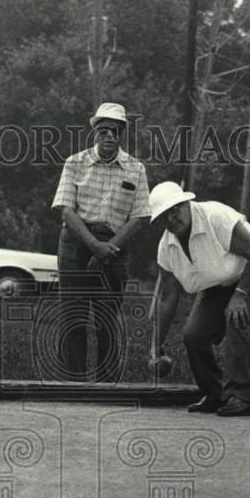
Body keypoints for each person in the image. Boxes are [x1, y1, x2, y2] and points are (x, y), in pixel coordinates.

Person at [148, 182, 250, 416]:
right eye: (164, 215)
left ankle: (240, 397)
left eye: (176, 209)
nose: (172, 218)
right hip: (224, 280)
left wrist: (240, 295)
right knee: (194, 334)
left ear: (187, 204)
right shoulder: (166, 248)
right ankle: (216, 393)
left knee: (236, 320)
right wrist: (156, 344)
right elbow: (168, 297)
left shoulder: (215, 215)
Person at [50, 102, 150, 382]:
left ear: (122, 134)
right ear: (94, 131)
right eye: (104, 130)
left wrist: (108, 249)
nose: (110, 136)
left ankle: (108, 384)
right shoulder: (75, 163)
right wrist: (94, 246)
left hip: (115, 244)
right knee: (73, 314)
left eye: (116, 131)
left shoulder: (136, 169)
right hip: (75, 243)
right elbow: (66, 210)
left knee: (107, 316)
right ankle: (73, 381)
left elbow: (140, 217)